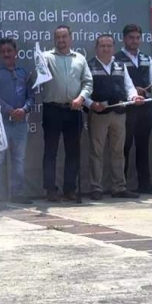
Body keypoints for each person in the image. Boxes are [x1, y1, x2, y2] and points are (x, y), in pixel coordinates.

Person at [85, 34, 143, 200]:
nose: (106, 49)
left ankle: (119, 187)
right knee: (96, 152)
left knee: (118, 152)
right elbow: (83, 90)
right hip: (98, 114)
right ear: (96, 48)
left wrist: (134, 97)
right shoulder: (90, 65)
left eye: (109, 46)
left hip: (119, 113)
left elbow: (129, 86)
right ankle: (96, 188)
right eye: (102, 46)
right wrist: (91, 104)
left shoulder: (120, 65)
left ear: (113, 48)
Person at [40, 25, 93, 202]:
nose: (61, 40)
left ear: (71, 38)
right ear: (54, 39)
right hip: (52, 109)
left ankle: (70, 189)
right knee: (50, 152)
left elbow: (88, 83)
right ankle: (50, 190)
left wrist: (81, 99)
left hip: (74, 109)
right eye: (58, 37)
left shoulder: (80, 59)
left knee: (73, 152)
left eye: (64, 37)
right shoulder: (46, 57)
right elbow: (39, 78)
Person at [0, 38, 35, 206]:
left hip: (20, 123)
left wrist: (25, 109)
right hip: (0, 122)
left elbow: (31, 97)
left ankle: (17, 194)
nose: (6, 54)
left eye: (9, 51)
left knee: (19, 159)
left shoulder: (24, 73)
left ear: (16, 52)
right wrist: (10, 111)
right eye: (3, 52)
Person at [115, 24, 152, 194]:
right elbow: (118, 83)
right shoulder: (117, 58)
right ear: (124, 39)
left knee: (143, 146)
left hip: (146, 107)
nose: (134, 41)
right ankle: (122, 185)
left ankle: (145, 184)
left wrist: (148, 88)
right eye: (131, 37)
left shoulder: (147, 58)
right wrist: (133, 91)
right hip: (128, 108)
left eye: (137, 38)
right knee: (124, 146)